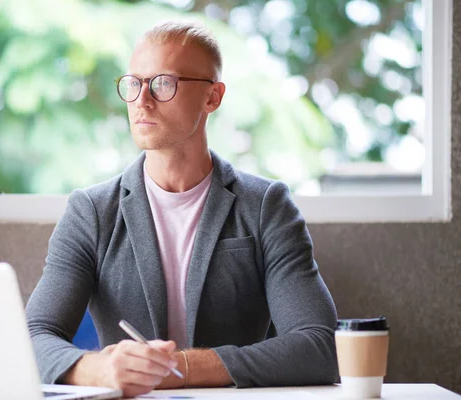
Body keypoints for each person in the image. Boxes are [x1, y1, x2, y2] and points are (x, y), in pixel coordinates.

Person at [25, 20, 338, 398]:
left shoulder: (266, 206)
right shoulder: (91, 211)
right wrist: (99, 369)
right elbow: (30, 338)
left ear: (212, 97)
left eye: (163, 83)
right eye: (134, 83)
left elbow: (321, 346)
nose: (142, 99)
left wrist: (181, 369)